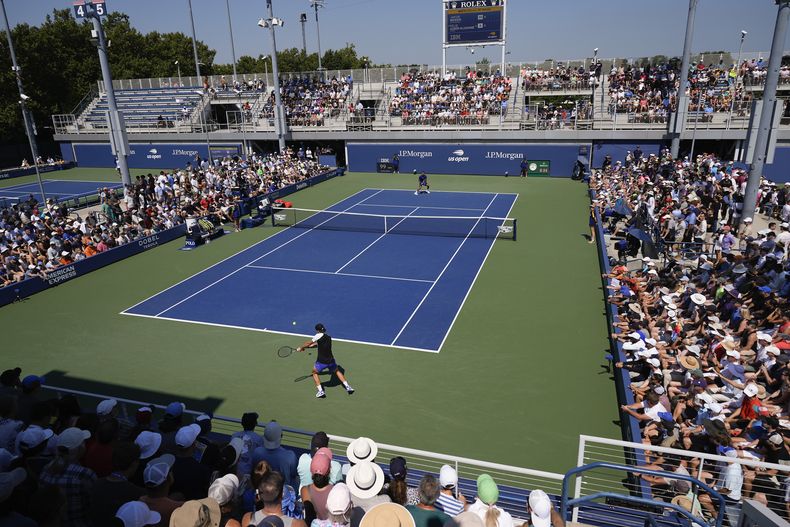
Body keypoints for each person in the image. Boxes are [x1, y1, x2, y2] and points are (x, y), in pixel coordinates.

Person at [297, 324, 355, 398]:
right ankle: (348, 387)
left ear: (317, 330)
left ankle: (320, 391)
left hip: (322, 361)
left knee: (314, 372)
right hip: (331, 360)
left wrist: (301, 347)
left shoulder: (317, 335)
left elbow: (309, 343)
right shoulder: (328, 337)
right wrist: (307, 348)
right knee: (337, 371)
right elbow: (317, 345)